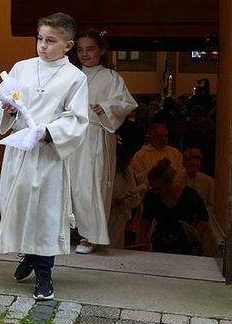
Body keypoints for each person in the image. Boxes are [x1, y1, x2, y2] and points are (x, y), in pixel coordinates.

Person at [0, 13, 89, 301]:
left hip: (47, 154)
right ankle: (30, 256)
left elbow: (77, 119)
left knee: (44, 214)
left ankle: (45, 275)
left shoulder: (75, 77)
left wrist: (48, 132)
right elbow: (5, 101)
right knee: (22, 209)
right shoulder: (21, 68)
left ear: (68, 45)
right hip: (20, 150)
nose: (43, 46)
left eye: (51, 41)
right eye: (40, 39)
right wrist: (7, 109)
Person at [69, 31, 137, 253]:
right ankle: (69, 231)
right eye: (80, 49)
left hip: (96, 135)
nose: (85, 54)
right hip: (71, 135)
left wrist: (105, 108)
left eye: (90, 49)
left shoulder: (111, 77)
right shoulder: (70, 75)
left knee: (92, 183)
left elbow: (126, 102)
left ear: (102, 50)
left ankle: (89, 236)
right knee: (70, 184)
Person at [142, 159, 208, 255]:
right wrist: (144, 238)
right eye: (152, 187)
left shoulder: (190, 195)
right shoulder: (151, 195)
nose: (155, 191)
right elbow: (146, 217)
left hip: (186, 242)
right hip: (162, 241)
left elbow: (203, 217)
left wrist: (195, 234)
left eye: (159, 188)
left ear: (169, 183)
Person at [108, 138, 144, 248]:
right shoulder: (97, 169)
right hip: (99, 215)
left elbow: (135, 199)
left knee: (114, 247)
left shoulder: (126, 172)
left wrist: (122, 202)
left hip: (117, 216)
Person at [130, 122, 183, 187]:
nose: (163, 139)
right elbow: (136, 178)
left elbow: (181, 173)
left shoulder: (175, 153)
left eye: (165, 136)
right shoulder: (141, 155)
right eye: (160, 136)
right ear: (151, 137)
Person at [182, 147, 214, 219]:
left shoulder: (208, 181)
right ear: (184, 164)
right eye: (191, 166)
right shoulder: (177, 179)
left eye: (197, 166)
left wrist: (203, 216)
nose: (194, 170)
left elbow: (211, 205)